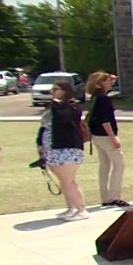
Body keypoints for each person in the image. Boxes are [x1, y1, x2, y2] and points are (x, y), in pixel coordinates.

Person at [40, 81, 89, 220]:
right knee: (64, 181)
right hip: (54, 149)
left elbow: (63, 118)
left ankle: (81, 210)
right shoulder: (53, 108)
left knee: (69, 180)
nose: (53, 92)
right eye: (52, 89)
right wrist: (40, 145)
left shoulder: (73, 106)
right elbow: (44, 127)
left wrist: (55, 104)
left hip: (68, 149)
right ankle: (72, 207)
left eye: (56, 89)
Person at [86, 72, 127, 208]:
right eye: (108, 80)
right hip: (105, 136)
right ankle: (115, 196)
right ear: (101, 83)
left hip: (96, 136)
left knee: (104, 166)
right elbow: (105, 120)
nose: (111, 82)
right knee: (119, 164)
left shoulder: (95, 97)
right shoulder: (103, 99)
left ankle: (106, 197)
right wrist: (113, 137)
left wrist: (110, 78)